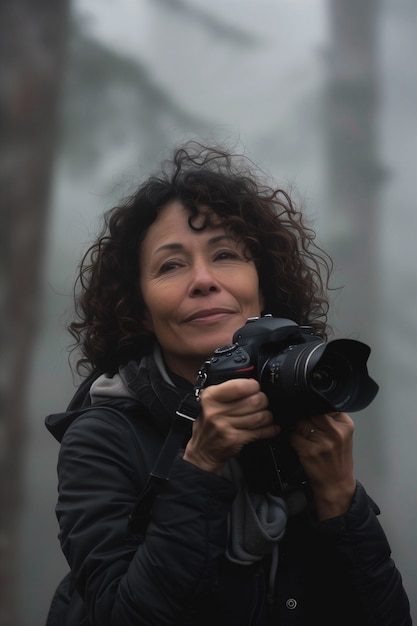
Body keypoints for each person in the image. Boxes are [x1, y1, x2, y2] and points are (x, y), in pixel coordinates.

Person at [45, 142, 411, 626]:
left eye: (225, 254)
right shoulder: (101, 437)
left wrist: (340, 498)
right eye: (171, 265)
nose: (203, 280)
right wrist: (201, 463)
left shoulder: (296, 406)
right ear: (139, 308)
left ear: (263, 286)